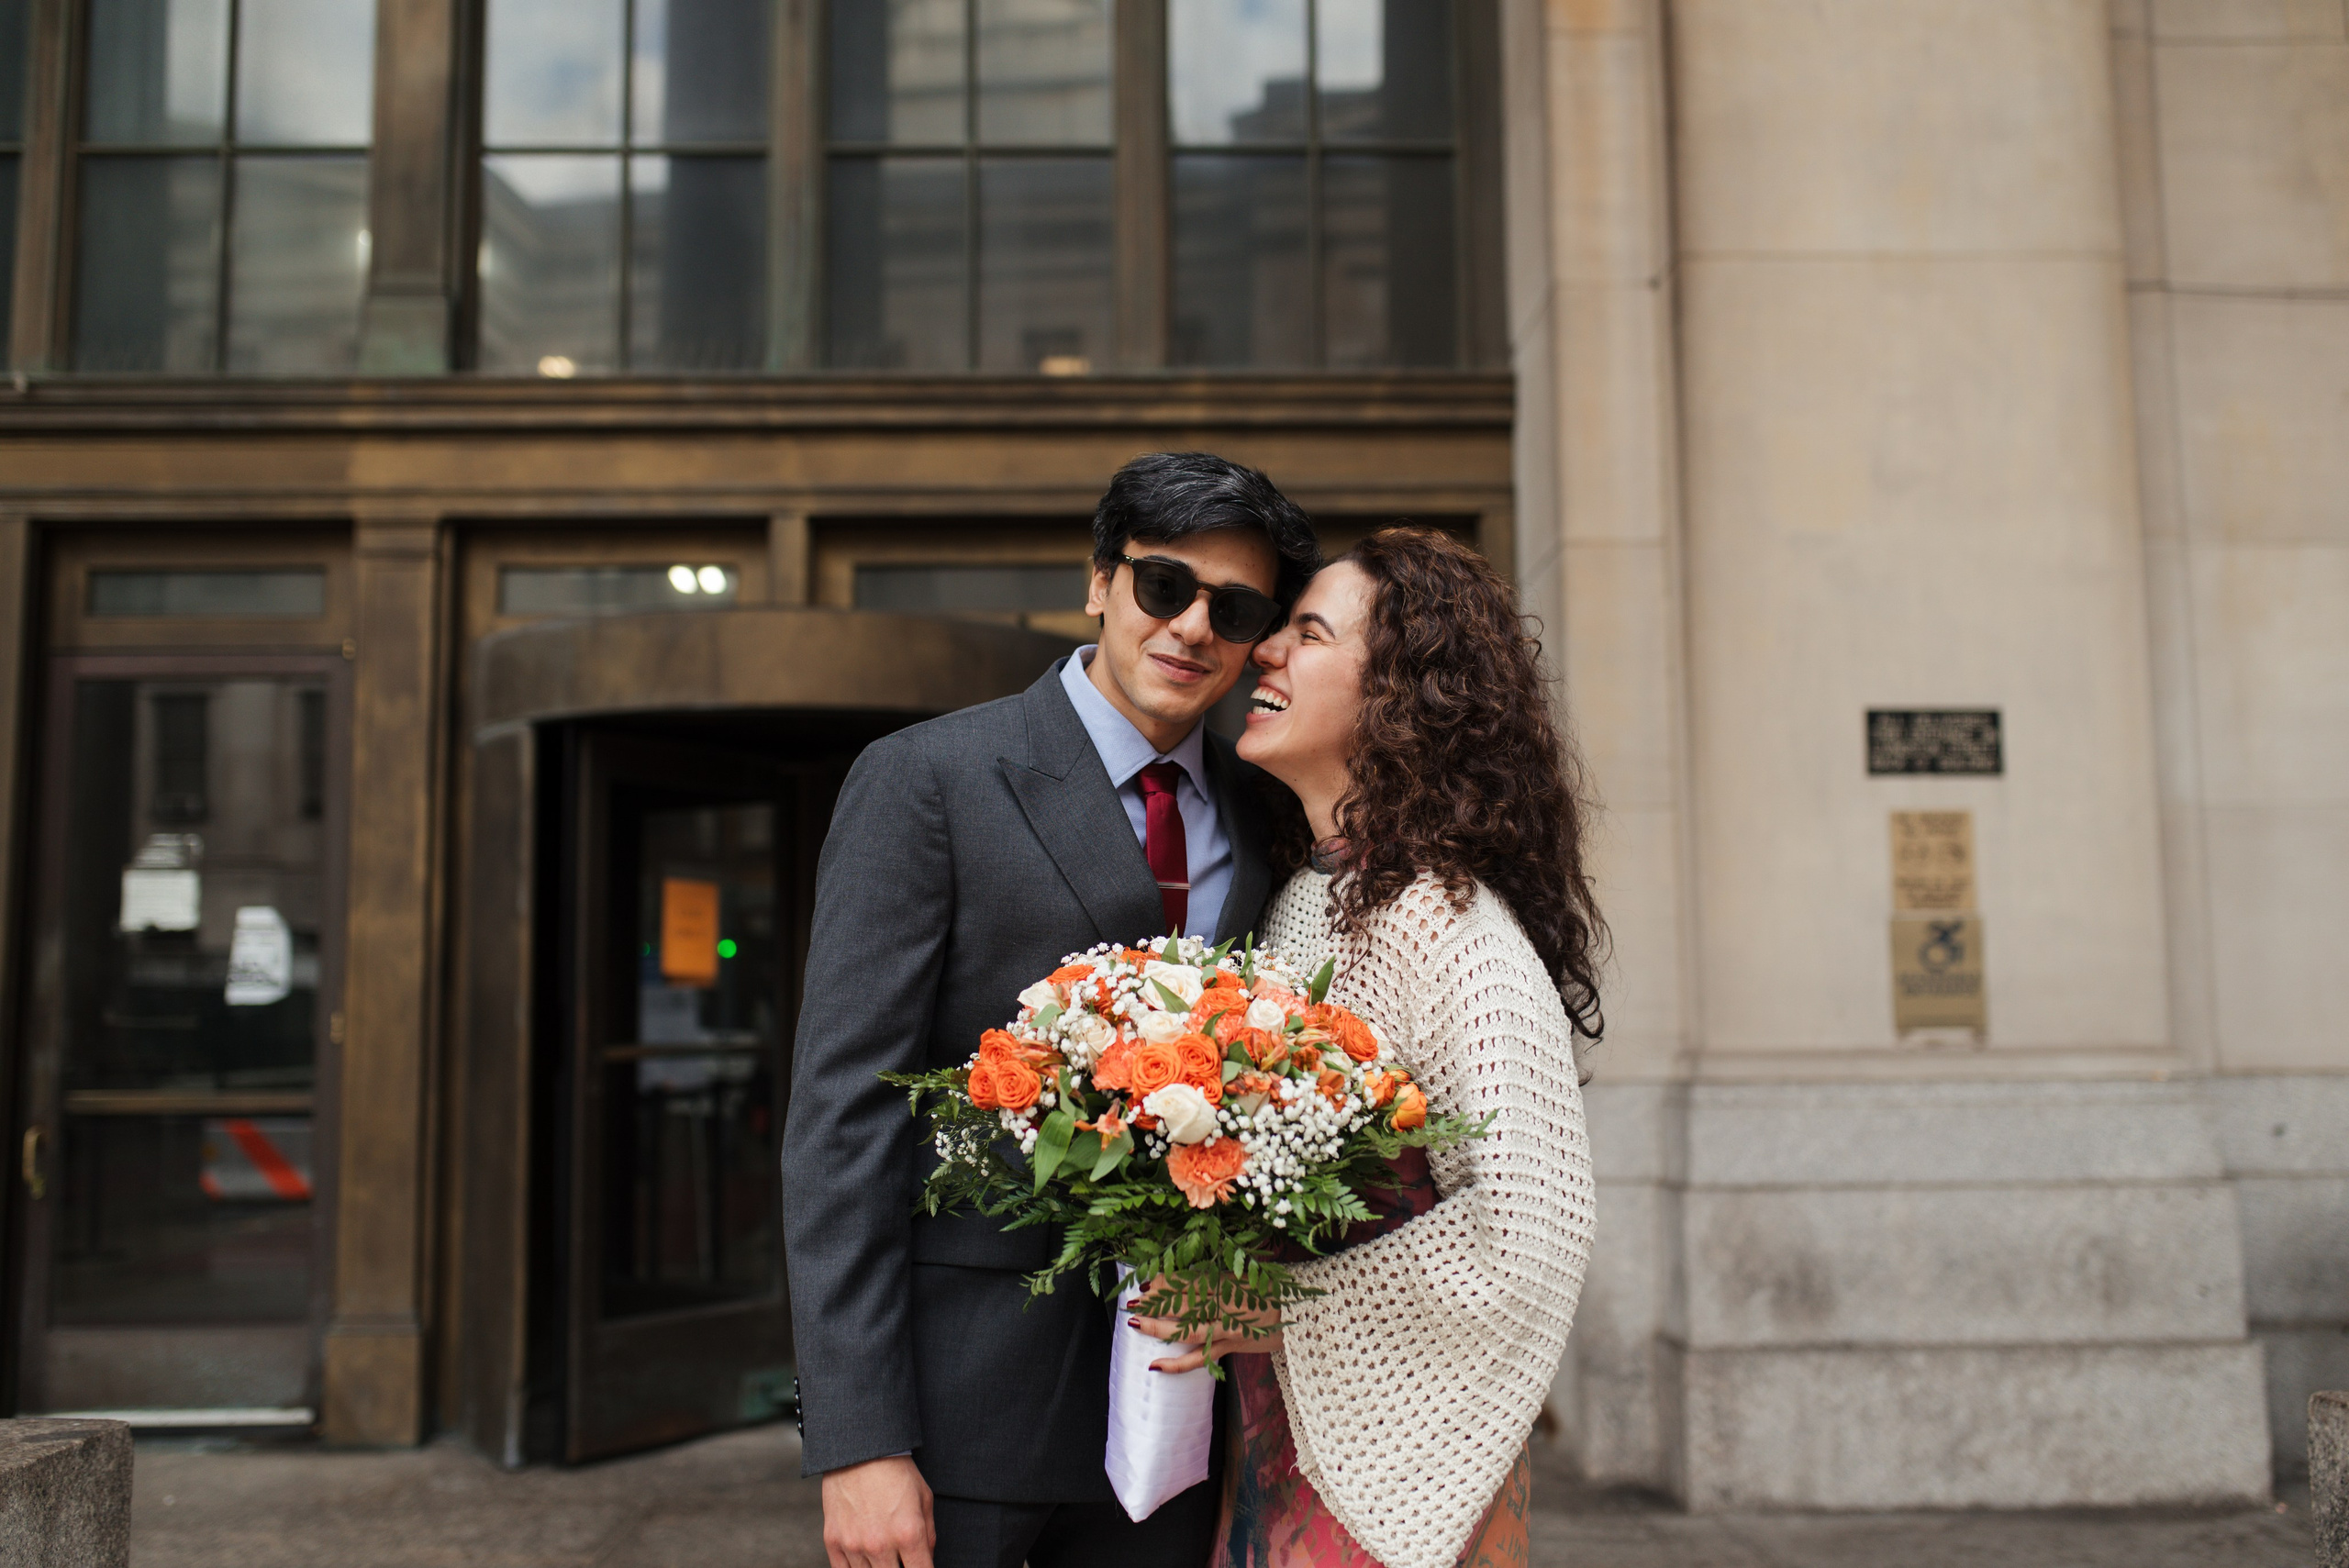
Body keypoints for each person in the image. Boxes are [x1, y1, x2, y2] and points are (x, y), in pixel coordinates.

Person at [782, 451, 1323, 1568]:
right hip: (957, 1410)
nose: (1191, 628)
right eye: (1163, 585)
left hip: (1174, 1418)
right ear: (1098, 582)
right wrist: (858, 1440)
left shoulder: (1269, 813)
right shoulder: (926, 776)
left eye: (1237, 607)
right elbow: (844, 1118)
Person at [1129, 526, 1604, 1568]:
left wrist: (1273, 1305)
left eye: (1307, 631)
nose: (1263, 651)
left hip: (1396, 1463)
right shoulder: (1310, 893)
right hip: (1278, 1436)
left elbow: (1537, 1224)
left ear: (1401, 689)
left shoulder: (1445, 922)